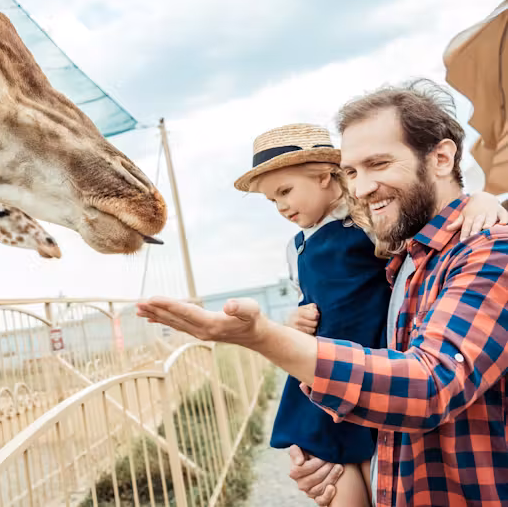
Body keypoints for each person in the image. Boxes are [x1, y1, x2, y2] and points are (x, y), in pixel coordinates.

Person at [138, 80, 508, 506]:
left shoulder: (487, 250)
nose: (362, 187)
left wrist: (264, 337)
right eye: (352, 172)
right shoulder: (403, 260)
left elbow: (430, 386)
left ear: (442, 158)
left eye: (379, 163)